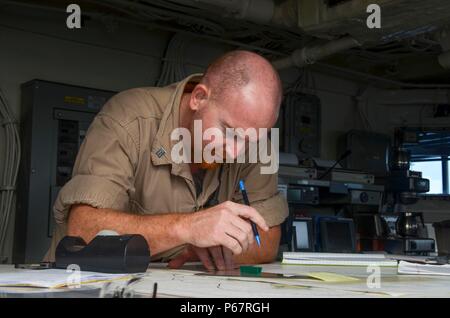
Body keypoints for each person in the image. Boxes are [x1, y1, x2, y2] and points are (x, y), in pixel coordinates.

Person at [45, 50, 288, 271]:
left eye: (250, 140)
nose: (237, 152)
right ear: (199, 98)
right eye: (229, 132)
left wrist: (196, 250)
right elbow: (84, 228)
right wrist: (186, 229)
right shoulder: (129, 118)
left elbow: (266, 242)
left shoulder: (254, 141)